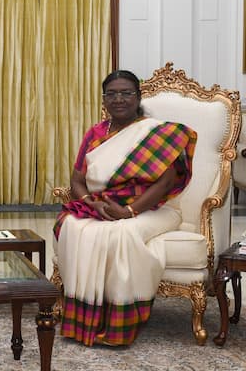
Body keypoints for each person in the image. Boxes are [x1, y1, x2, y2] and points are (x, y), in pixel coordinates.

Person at [53, 69, 197, 347]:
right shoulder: (95, 133)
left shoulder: (156, 133)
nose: (119, 99)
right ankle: (86, 318)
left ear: (138, 97)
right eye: (112, 94)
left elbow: (166, 182)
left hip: (153, 209)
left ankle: (120, 324)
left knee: (121, 234)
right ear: (104, 99)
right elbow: (77, 180)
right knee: (73, 226)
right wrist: (89, 202)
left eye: (126, 93)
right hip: (101, 206)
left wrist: (128, 212)